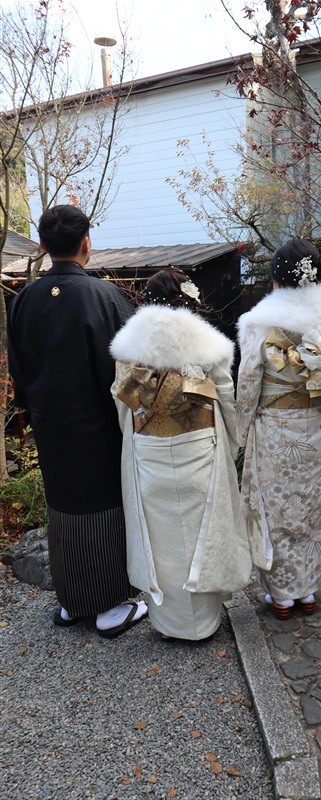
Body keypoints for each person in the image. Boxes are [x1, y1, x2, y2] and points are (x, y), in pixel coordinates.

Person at [7, 204, 147, 637]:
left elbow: (18, 368)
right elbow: (131, 372)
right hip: (100, 426)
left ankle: (71, 601)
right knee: (103, 506)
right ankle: (108, 605)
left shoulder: (24, 299)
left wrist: (36, 408)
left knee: (64, 504)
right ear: (86, 243)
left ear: (43, 245)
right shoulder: (106, 297)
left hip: (50, 424)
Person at [110, 268, 252, 641]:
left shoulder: (129, 348)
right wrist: (232, 441)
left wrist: (137, 440)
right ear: (190, 301)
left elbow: (124, 407)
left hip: (150, 452)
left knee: (161, 540)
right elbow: (226, 399)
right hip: (199, 450)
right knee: (203, 532)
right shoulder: (208, 346)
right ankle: (203, 623)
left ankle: (169, 624)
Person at [236, 238, 321, 619]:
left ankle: (282, 595)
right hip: (320, 426)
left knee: (279, 510)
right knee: (313, 506)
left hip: (276, 431)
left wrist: (240, 430)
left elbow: (248, 383)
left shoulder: (259, 322)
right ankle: (307, 591)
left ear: (276, 278)